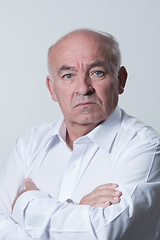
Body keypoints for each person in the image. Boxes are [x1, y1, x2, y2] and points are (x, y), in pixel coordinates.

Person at [0, 29, 160, 240]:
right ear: (52, 89)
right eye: (68, 75)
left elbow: (103, 233)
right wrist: (79, 210)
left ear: (121, 80)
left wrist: (27, 202)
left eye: (97, 72)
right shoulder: (29, 143)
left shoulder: (146, 147)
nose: (83, 88)